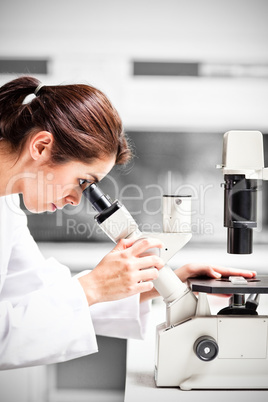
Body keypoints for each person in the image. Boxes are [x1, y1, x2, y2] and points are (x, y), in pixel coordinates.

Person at [0, 76, 256, 369]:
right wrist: (93, 285)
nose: (75, 200)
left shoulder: (7, 207)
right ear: (42, 146)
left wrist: (169, 281)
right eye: (82, 181)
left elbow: (40, 294)